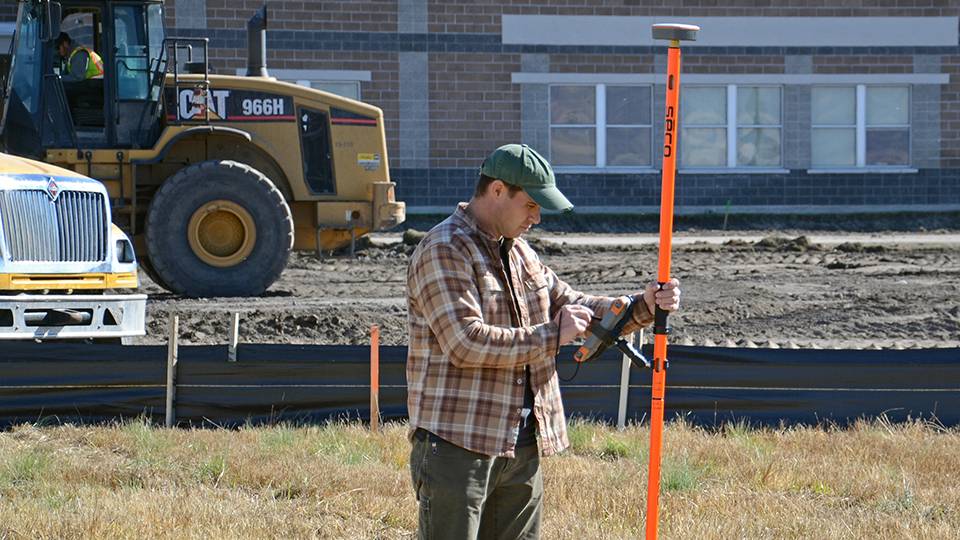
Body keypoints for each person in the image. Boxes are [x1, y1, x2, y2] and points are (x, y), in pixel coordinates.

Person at [406, 143, 681, 539]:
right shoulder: (445, 249)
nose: (537, 218)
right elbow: (465, 342)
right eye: (531, 205)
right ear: (498, 190)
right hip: (458, 446)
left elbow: (576, 306)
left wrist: (643, 306)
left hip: (520, 444)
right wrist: (554, 334)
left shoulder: (520, 253)